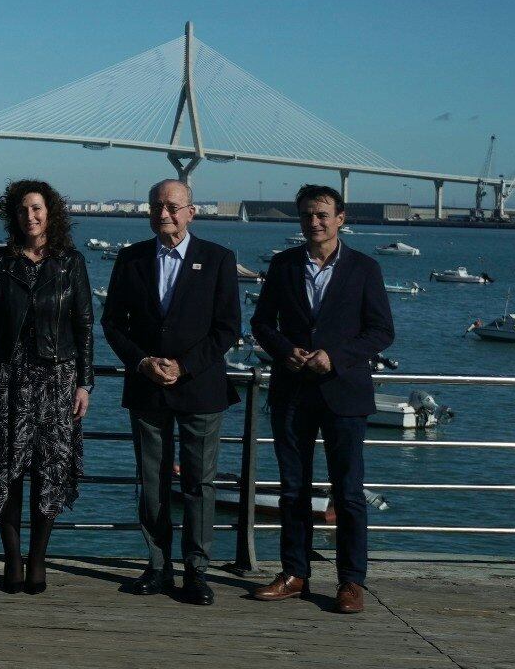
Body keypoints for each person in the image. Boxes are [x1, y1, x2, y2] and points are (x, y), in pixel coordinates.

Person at [249, 184, 393, 615]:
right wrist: (284, 350)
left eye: (323, 215)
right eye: (308, 215)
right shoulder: (283, 265)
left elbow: (381, 331)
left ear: (341, 218)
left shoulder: (365, 268)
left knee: (348, 493)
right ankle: (294, 573)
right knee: (293, 489)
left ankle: (351, 581)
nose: (314, 222)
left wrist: (336, 357)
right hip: (292, 390)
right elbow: (261, 323)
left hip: (343, 393)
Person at [102, 179, 241, 605]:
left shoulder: (218, 259)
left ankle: (197, 572)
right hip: (147, 386)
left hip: (200, 388)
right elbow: (112, 323)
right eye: (157, 206)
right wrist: (142, 361)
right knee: (152, 481)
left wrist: (184, 366)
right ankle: (157, 566)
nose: (164, 213)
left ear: (191, 211)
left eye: (173, 206)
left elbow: (227, 328)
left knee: (199, 483)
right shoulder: (130, 259)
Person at [0, 178, 93, 594]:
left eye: (37, 208)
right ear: (13, 215)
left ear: (50, 212)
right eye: (23, 210)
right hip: (6, 376)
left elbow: (84, 326)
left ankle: (38, 558)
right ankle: (11, 558)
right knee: (7, 467)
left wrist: (85, 384)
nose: (31, 216)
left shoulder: (70, 262)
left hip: (57, 378)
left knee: (49, 470)